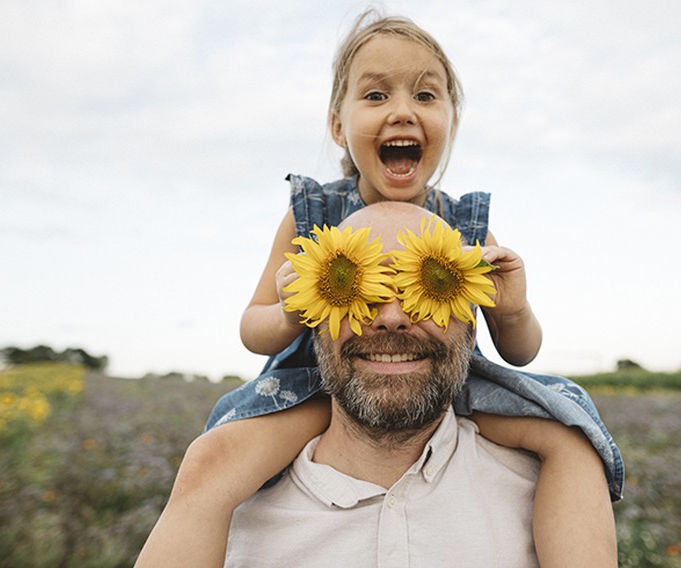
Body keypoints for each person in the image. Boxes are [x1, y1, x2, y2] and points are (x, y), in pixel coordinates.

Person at [135, 10, 622, 568]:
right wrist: (296, 308)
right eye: (374, 95)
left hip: (452, 382)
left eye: (424, 95)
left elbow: (521, 352)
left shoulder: (464, 225)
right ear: (338, 125)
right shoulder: (311, 216)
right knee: (212, 462)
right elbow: (254, 329)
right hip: (311, 388)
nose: (401, 111)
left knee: (569, 431)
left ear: (450, 122)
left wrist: (513, 310)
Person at [223, 202, 614, 567]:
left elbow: (521, 347)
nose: (392, 316)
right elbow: (256, 326)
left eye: (426, 289)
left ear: (474, 319)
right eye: (361, 288)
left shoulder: (550, 489)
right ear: (310, 319)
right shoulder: (226, 510)